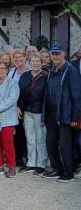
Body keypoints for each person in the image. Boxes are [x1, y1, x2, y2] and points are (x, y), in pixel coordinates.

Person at [42, 45, 81, 182]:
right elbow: (47, 94)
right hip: (52, 113)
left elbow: (76, 96)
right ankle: (57, 169)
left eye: (58, 53)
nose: (55, 56)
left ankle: (69, 173)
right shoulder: (53, 70)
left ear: (64, 54)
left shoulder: (71, 70)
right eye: (53, 54)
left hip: (66, 113)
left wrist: (75, 116)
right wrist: (43, 115)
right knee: (50, 142)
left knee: (65, 145)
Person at [18, 54, 48, 175]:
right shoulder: (25, 76)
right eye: (33, 61)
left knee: (41, 139)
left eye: (37, 61)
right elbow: (19, 92)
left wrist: (45, 114)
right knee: (30, 138)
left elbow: (47, 97)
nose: (35, 63)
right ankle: (31, 163)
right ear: (29, 63)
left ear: (42, 63)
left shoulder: (46, 76)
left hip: (40, 111)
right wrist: (18, 106)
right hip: (27, 111)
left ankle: (41, 164)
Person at [10, 50, 30, 168]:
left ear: (24, 57)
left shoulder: (29, 70)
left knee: (27, 133)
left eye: (20, 57)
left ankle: (27, 156)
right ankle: (19, 158)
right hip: (14, 105)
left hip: (26, 104)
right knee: (17, 133)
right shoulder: (12, 72)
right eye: (16, 57)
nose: (18, 59)